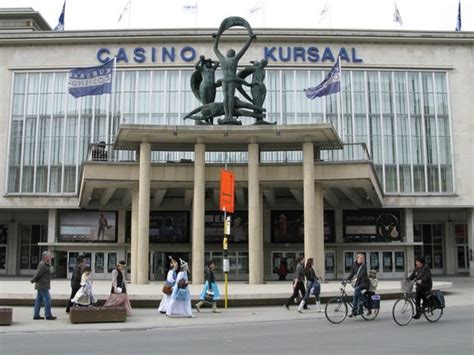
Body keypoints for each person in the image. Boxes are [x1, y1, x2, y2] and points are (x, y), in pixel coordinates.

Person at [213, 16, 256, 124]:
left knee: (226, 97)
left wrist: (217, 37)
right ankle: (229, 116)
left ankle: (227, 116)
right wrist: (250, 38)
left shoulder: (222, 59)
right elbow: (244, 49)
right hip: (231, 79)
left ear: (227, 54)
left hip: (224, 80)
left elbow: (215, 49)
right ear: (233, 54)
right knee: (230, 97)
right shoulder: (235, 59)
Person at [30, 251, 57, 320]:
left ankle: (36, 315)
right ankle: (48, 315)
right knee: (47, 299)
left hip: (43, 284)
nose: (50, 257)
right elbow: (38, 274)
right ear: (45, 257)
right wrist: (33, 280)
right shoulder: (42, 264)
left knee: (38, 300)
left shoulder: (45, 264)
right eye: (49, 256)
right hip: (42, 285)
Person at [346, 253, 369, 317]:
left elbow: (361, 274)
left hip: (365, 283)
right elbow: (351, 274)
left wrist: (356, 278)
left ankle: (364, 300)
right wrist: (346, 280)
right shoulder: (354, 265)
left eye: (362, 258)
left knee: (356, 290)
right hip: (359, 283)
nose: (362, 259)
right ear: (357, 258)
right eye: (360, 258)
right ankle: (354, 312)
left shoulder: (364, 266)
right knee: (355, 297)